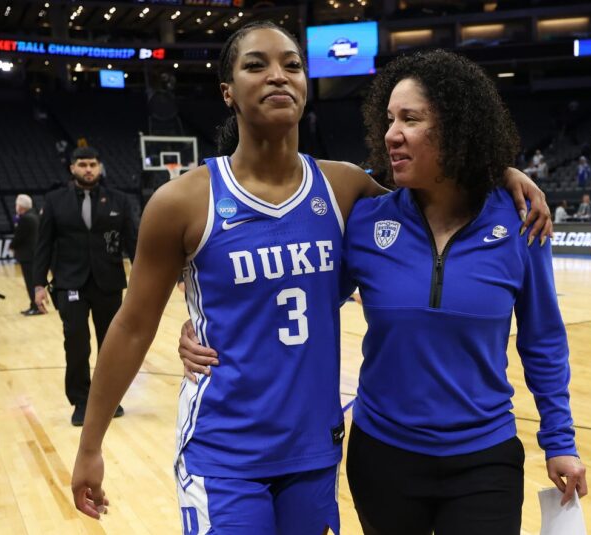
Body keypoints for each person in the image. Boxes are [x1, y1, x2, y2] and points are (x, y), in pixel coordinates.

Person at [70, 22, 552, 535]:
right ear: (227, 91)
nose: (278, 75)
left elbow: (437, 197)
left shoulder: (345, 188)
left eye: (293, 65)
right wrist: (90, 445)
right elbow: (132, 326)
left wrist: (500, 173)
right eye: (256, 65)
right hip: (225, 450)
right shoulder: (183, 201)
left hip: (314, 452)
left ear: (305, 84)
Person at [179, 48, 583, 534]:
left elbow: (542, 339)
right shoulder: (368, 221)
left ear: (459, 128)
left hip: (484, 457)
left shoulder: (519, 221)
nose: (392, 133)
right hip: (384, 457)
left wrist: (560, 439)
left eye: (410, 119)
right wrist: (204, 326)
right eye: (389, 119)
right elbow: (295, 294)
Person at [33, 146, 138, 426]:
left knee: (111, 345)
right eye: (82, 164)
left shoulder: (119, 200)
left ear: (99, 167)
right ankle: (81, 400)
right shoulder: (55, 201)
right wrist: (39, 284)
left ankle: (109, 399)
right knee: (76, 343)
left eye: (92, 164)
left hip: (108, 283)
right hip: (70, 282)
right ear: (72, 168)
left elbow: (134, 243)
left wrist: (144, 282)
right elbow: (43, 245)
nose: (88, 169)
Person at [10, 194, 42, 316]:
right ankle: (37, 305)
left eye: (17, 204)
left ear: (21, 206)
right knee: (35, 282)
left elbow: (19, 237)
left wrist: (12, 246)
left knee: (31, 283)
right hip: (35, 254)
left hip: (28, 255)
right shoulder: (35, 215)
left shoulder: (25, 218)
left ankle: (36, 306)